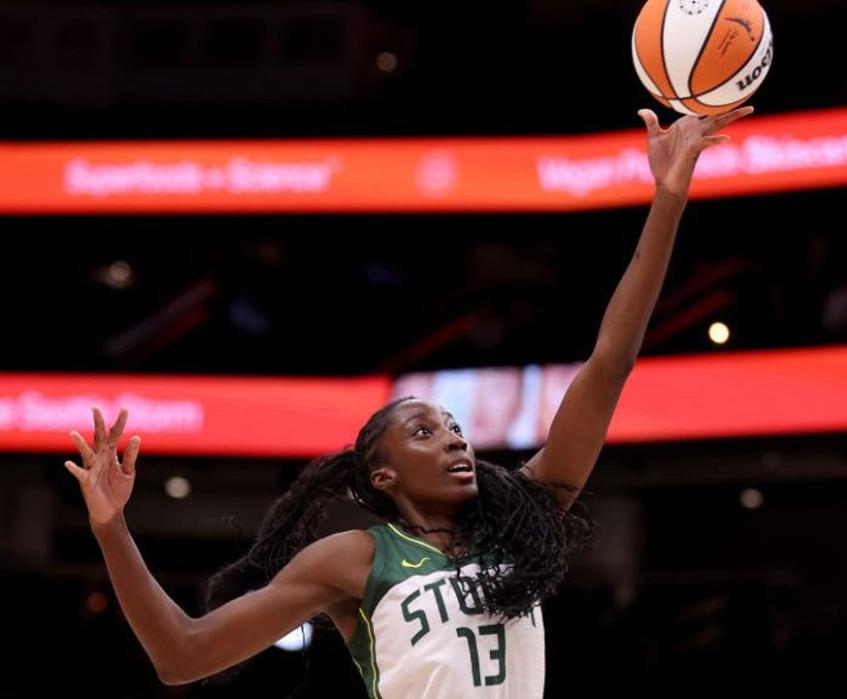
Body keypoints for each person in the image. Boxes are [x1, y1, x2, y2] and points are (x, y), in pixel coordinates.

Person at [63, 105, 754, 698]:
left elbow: (609, 364)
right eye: (425, 430)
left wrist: (667, 197)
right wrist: (111, 530)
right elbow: (181, 654)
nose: (455, 438)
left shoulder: (521, 514)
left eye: (454, 426)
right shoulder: (354, 560)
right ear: (382, 474)